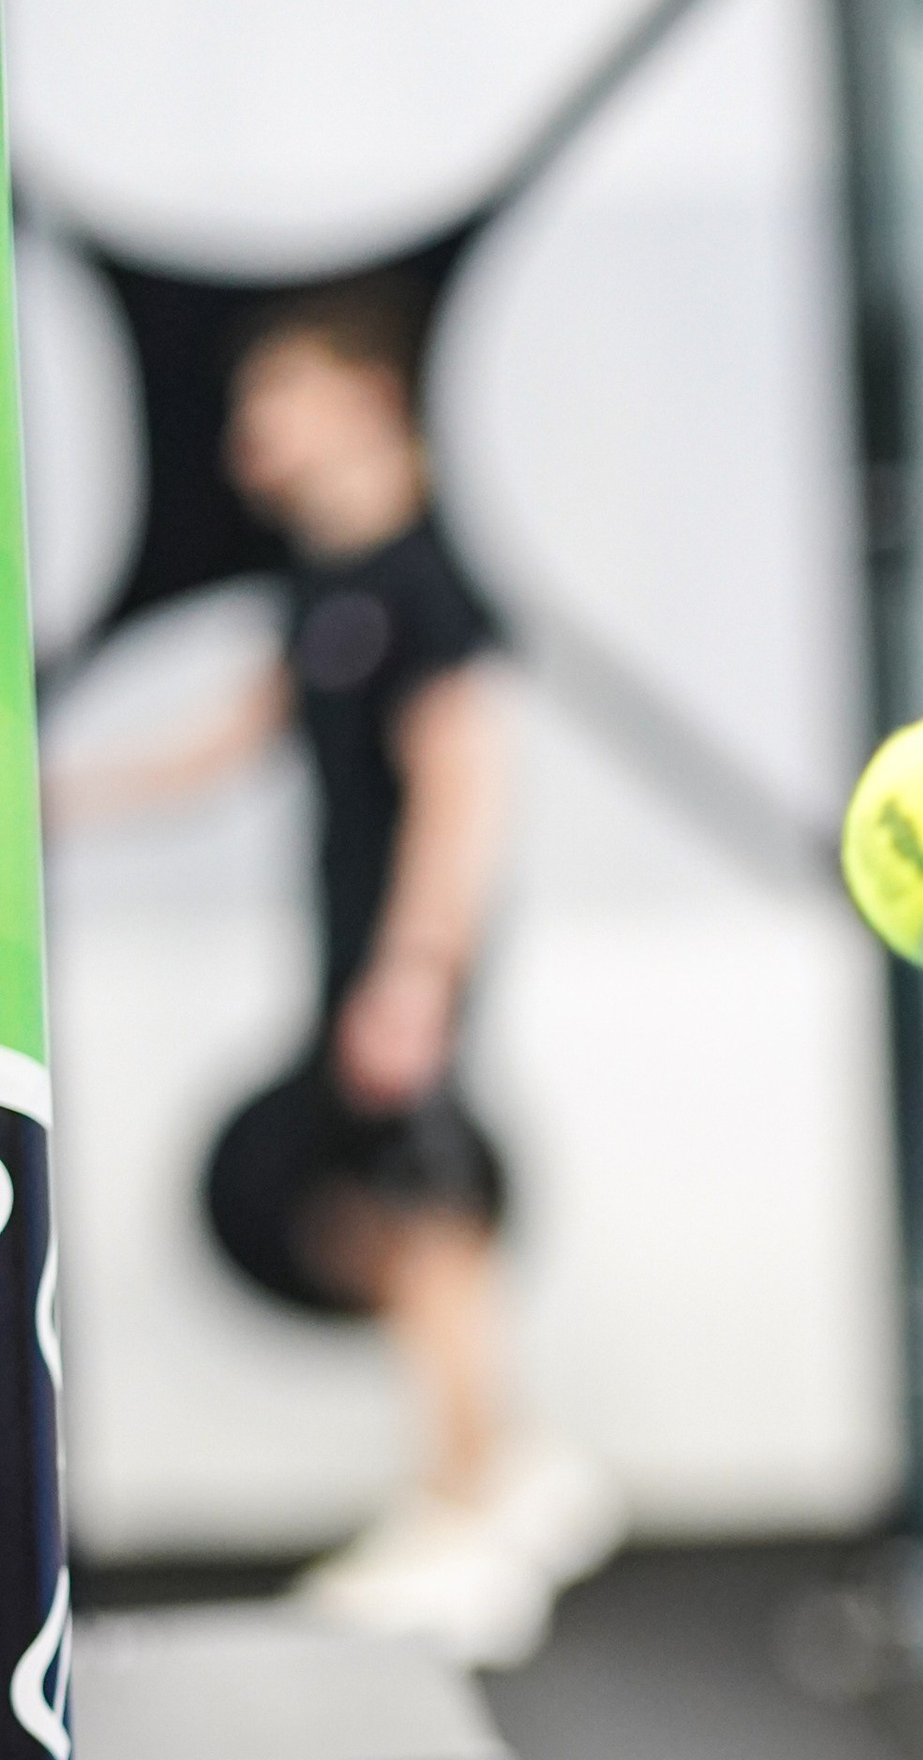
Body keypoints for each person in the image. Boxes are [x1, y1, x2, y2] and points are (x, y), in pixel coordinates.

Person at [47, 287, 619, 1662]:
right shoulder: (320, 585)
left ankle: (468, 1514)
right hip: (358, 953)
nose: (253, 432)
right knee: (369, 1215)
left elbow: (466, 788)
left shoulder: (425, 584)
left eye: (278, 398)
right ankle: (513, 1464)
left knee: (418, 1220)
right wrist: (45, 797)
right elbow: (217, 748)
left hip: (405, 955)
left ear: (367, 399)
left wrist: (415, 971)